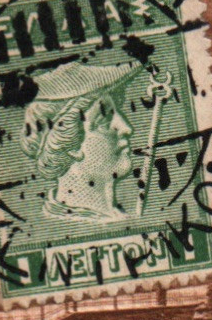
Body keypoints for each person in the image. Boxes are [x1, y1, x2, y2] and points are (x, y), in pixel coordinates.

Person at [18, 56, 145, 223]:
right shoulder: (60, 225)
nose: (126, 128)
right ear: (70, 144)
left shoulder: (124, 218)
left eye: (118, 112)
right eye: (103, 119)